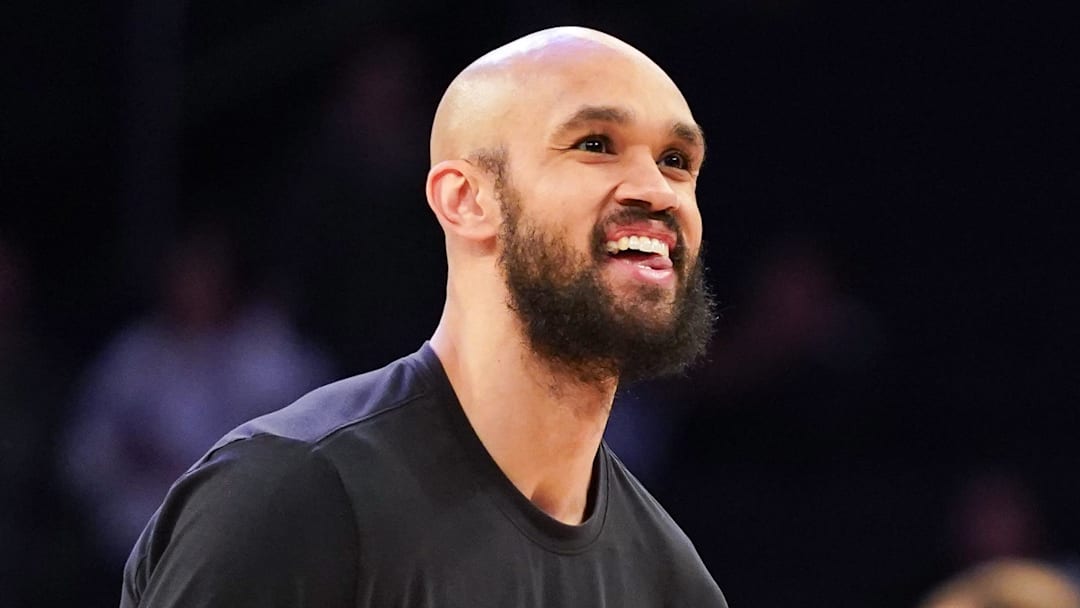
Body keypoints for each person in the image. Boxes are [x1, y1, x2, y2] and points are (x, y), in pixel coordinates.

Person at [120, 26, 726, 607]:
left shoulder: (673, 582)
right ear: (465, 200)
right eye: (595, 145)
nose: (658, 190)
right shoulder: (296, 496)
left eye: (677, 160)